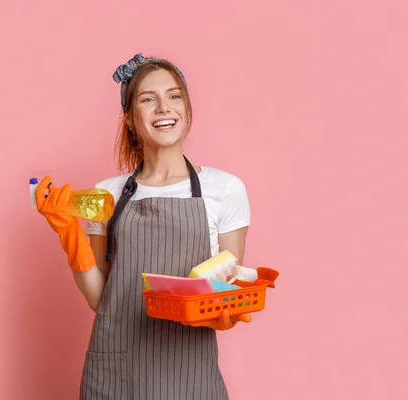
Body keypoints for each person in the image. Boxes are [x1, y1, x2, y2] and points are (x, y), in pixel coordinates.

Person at [35, 53, 252, 400]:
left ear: (187, 108)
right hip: (116, 376)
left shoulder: (224, 189)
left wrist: (225, 309)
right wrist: (68, 233)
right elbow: (100, 299)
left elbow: (227, 282)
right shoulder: (107, 194)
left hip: (190, 375)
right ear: (131, 119)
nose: (164, 108)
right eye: (147, 99)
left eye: (174, 95)